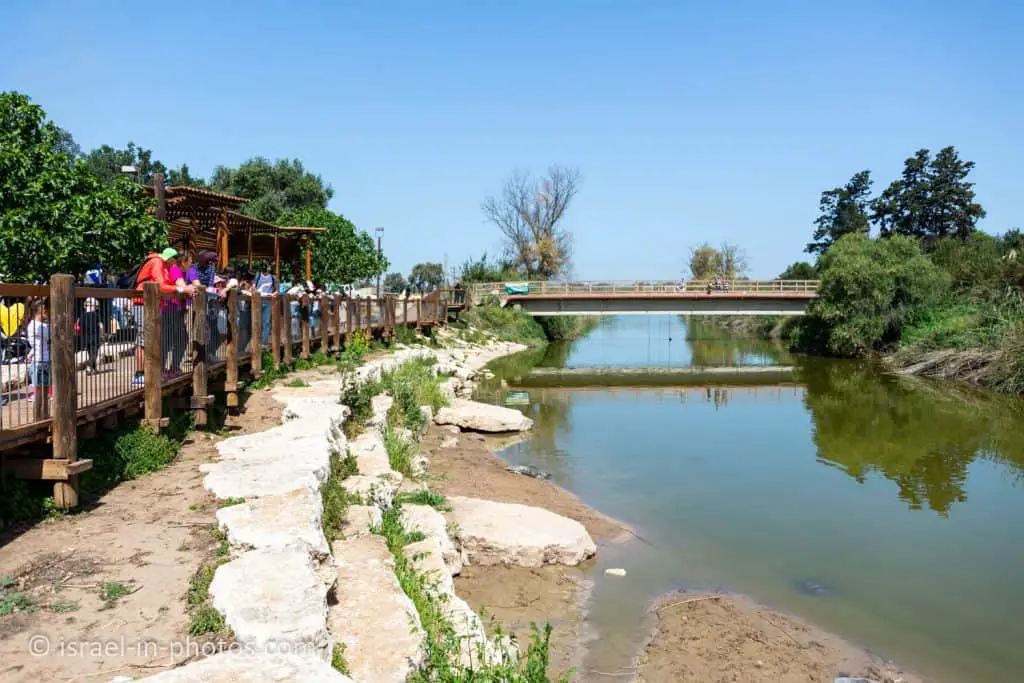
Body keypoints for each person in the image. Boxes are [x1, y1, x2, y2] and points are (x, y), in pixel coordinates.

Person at [131, 248, 194, 387]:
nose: (174, 264)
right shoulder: (157, 263)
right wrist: (180, 289)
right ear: (170, 258)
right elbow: (159, 285)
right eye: (173, 260)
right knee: (143, 339)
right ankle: (139, 374)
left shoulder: (164, 266)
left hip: (152, 306)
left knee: (152, 339)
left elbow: (166, 285)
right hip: (142, 305)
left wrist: (177, 288)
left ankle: (152, 372)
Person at [25, 300, 51, 416]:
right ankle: (38, 417)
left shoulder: (38, 325)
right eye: (46, 309)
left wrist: (30, 354)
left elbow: (37, 344)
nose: (48, 312)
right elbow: (54, 334)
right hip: (41, 361)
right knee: (40, 393)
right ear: (41, 310)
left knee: (44, 392)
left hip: (43, 360)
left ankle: (44, 416)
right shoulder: (38, 326)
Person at [80, 297, 104, 375]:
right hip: (95, 337)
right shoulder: (96, 315)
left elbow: (81, 327)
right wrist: (102, 335)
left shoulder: (82, 316)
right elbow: (101, 326)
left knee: (90, 353)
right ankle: (89, 367)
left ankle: (93, 369)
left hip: (86, 338)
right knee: (95, 354)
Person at [254, 264, 277, 345]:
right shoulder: (258, 275)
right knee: (256, 321)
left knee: (266, 322)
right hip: (257, 301)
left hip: (268, 301)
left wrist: (273, 294)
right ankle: (256, 342)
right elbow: (253, 287)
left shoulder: (273, 277)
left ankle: (264, 343)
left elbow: (277, 289)